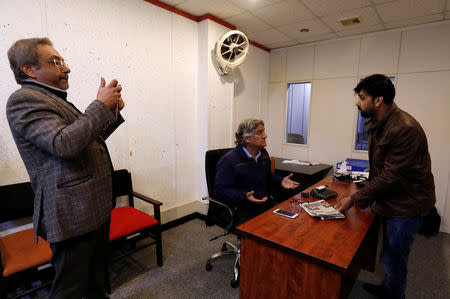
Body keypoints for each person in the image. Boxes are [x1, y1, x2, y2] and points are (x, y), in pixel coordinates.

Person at [6, 38, 125, 298]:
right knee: (69, 289)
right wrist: (99, 107)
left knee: (96, 279)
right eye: (56, 62)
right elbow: (64, 144)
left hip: (93, 207)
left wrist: (110, 112)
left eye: (63, 61)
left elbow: (87, 140)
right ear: (29, 69)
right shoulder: (23, 100)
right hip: (72, 213)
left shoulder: (53, 98)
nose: (66, 68)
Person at [334, 74, 435, 299]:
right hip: (394, 198)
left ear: (378, 100)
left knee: (395, 258)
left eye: (362, 98)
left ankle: (393, 294)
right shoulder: (378, 122)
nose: (357, 103)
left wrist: (355, 199)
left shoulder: (404, 128)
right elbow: (381, 167)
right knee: (388, 253)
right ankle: (388, 289)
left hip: (408, 204)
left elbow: (391, 175)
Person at [214, 118, 299, 224]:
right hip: (241, 207)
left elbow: (267, 176)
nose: (265, 136)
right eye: (260, 132)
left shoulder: (263, 154)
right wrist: (244, 196)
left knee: (288, 223)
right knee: (263, 232)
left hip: (263, 203)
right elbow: (220, 190)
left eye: (263, 131)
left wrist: (280, 180)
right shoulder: (229, 160)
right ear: (247, 138)